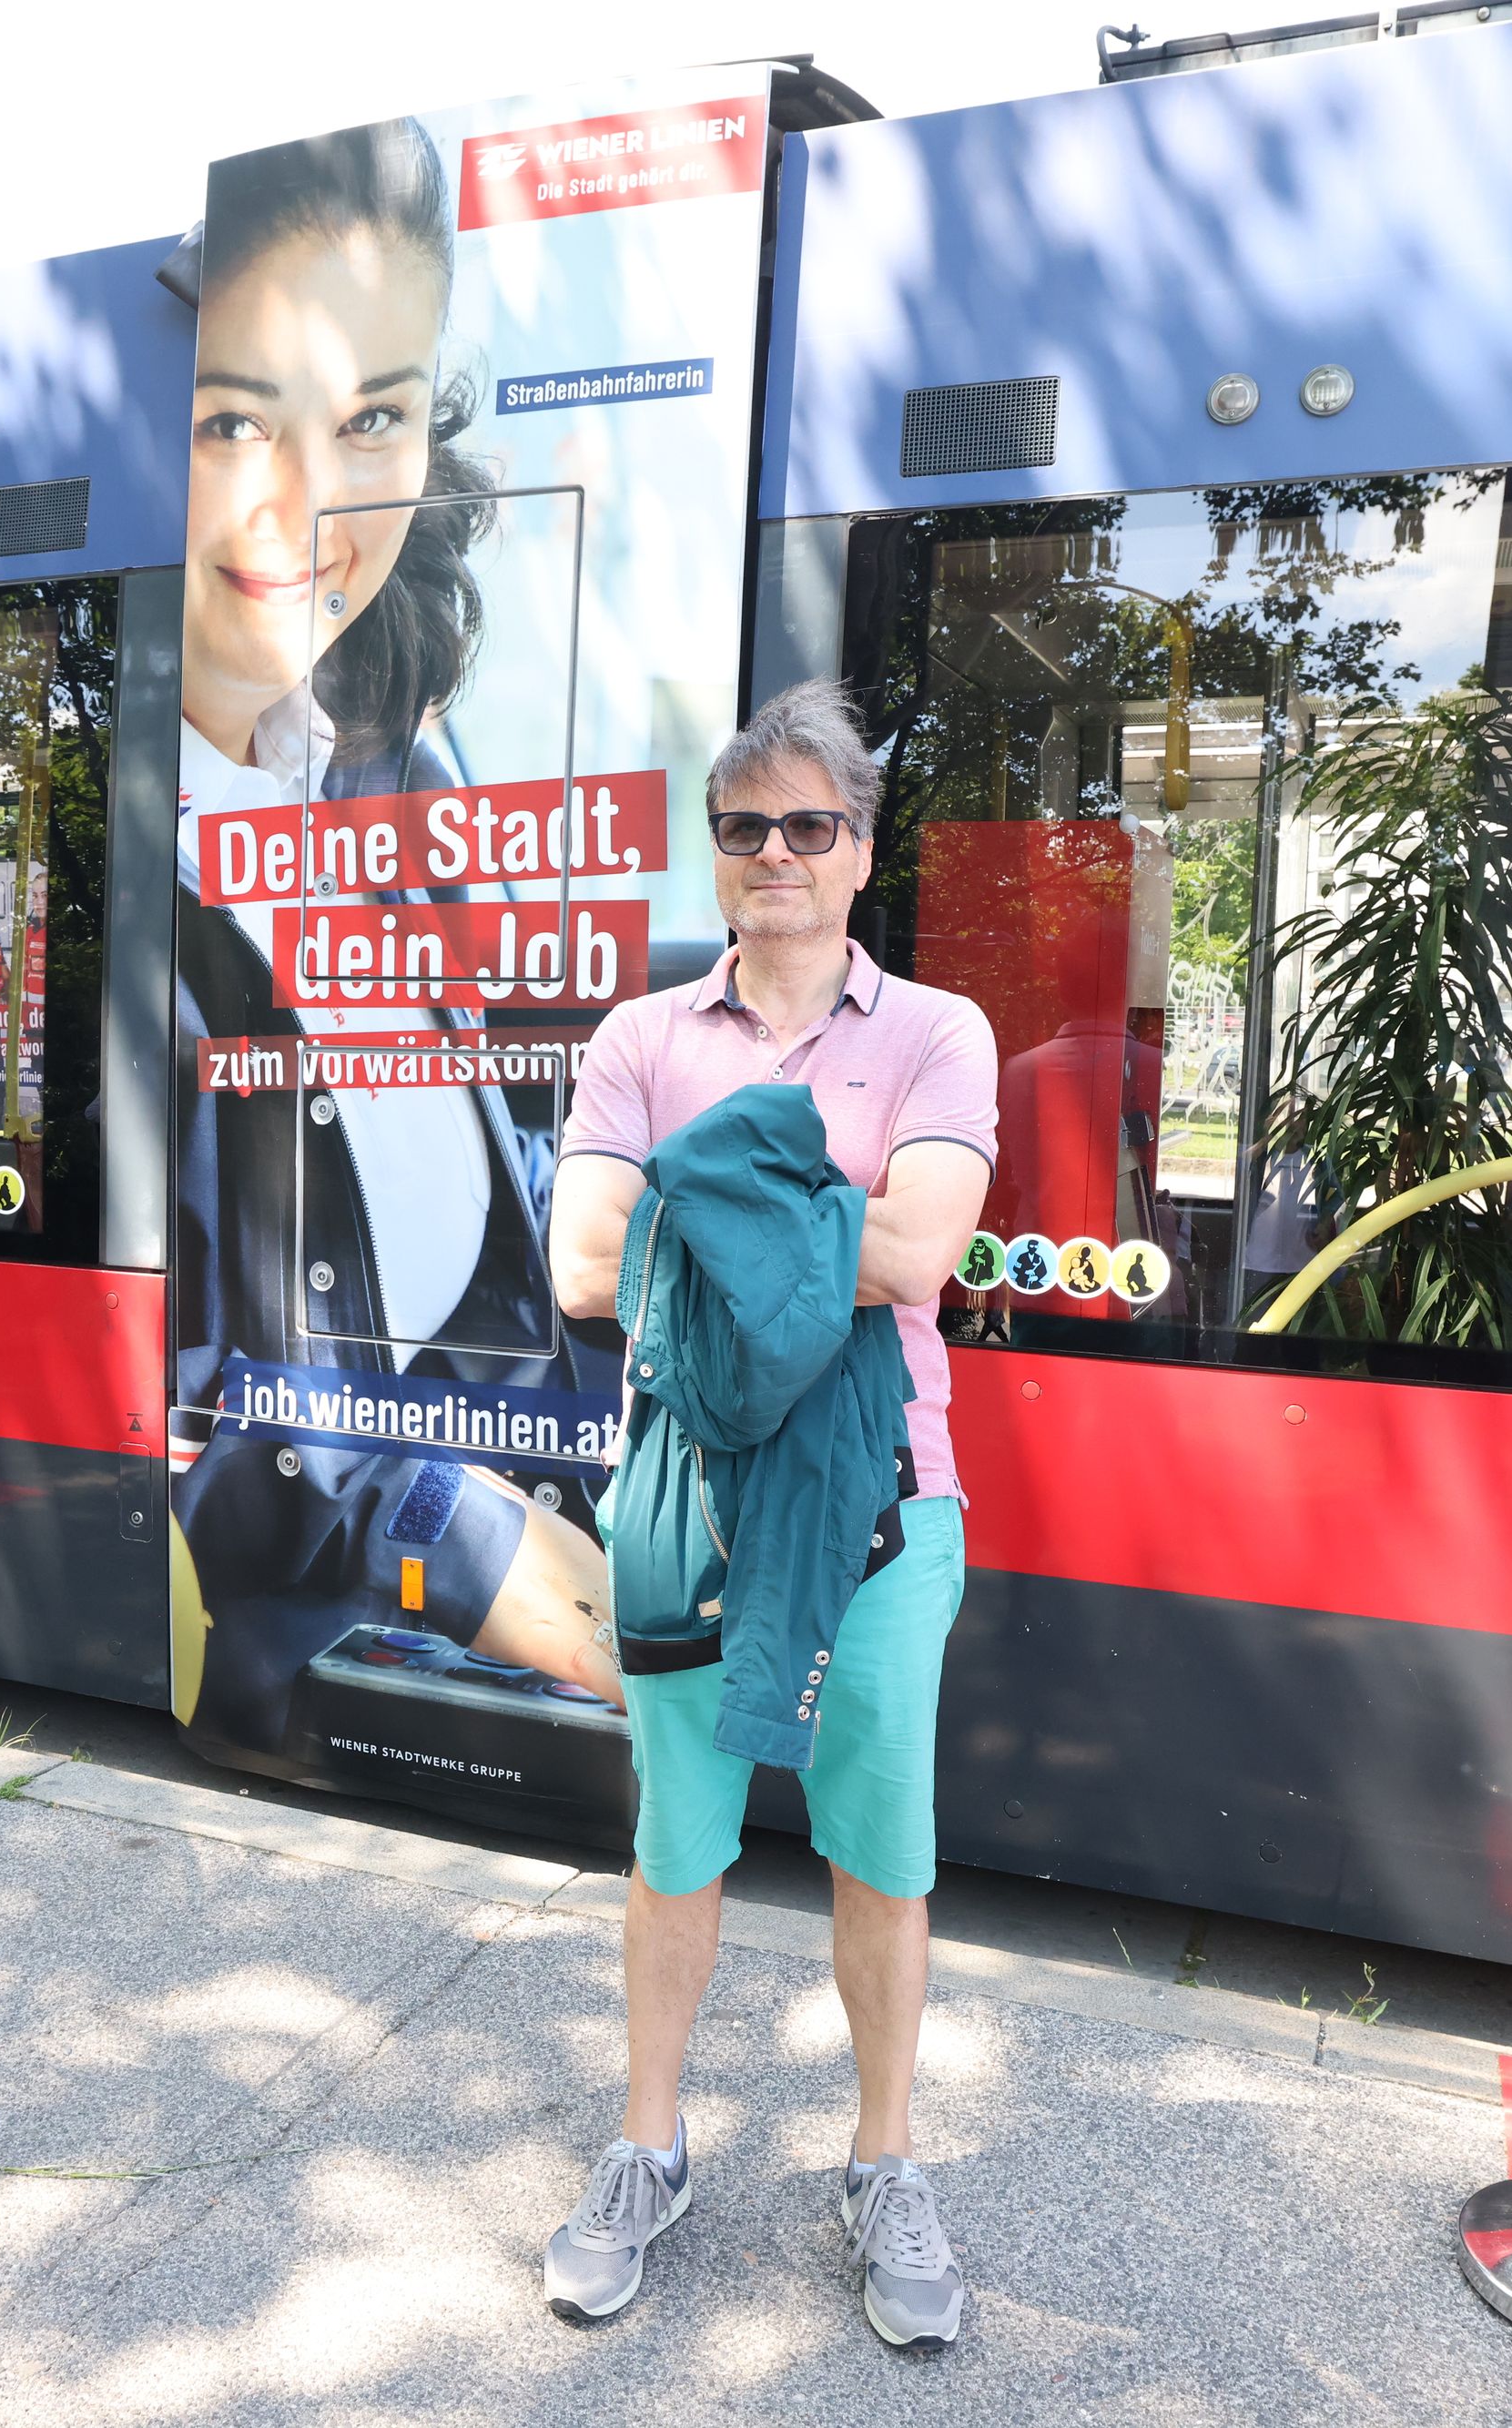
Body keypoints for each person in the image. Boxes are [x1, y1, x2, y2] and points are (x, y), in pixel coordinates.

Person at [536, 682, 1000, 2352]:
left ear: (861, 850)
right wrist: (810, 1200)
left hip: (886, 1505)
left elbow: (921, 1257)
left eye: (812, 824)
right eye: (747, 829)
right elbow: (585, 1269)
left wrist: (704, 1187)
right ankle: (645, 2146)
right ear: (718, 854)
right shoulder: (638, 1037)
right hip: (683, 1505)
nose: (778, 853)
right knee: (677, 1852)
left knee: (881, 1858)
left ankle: (883, 2163)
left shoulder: (941, 1032)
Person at [167, 117, 618, 1763]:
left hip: (539, 1471)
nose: (307, 504)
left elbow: (506, 1099)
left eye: (371, 419)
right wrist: (456, 1525)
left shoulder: (390, 752)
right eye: (236, 421)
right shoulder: (132, 866)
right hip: (350, 1605)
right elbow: (145, 1378)